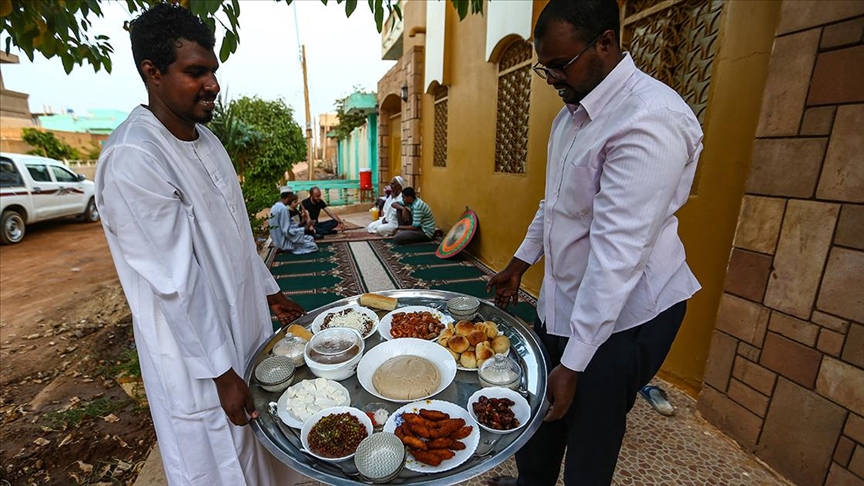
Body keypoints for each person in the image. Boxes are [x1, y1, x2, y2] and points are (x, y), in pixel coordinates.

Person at [485, 1, 703, 485]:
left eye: (561, 65)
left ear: (605, 43)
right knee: (538, 421)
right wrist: (520, 262)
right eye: (545, 68)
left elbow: (617, 256)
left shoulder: (651, 119)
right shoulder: (571, 117)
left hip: (625, 317)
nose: (553, 79)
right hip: (567, 300)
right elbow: (558, 205)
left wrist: (574, 363)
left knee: (589, 440)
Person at [94, 4, 306, 485]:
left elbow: (234, 236)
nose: (212, 84)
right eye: (195, 72)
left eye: (213, 71)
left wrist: (270, 293)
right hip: (197, 359)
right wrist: (222, 374)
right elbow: (175, 282)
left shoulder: (208, 141)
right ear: (152, 73)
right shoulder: (134, 158)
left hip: (244, 329)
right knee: (224, 464)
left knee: (268, 456)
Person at [269, 188, 318, 255]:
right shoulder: (283, 209)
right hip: (283, 243)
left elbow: (285, 226)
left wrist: (299, 224)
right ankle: (285, 249)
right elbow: (287, 231)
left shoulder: (275, 206)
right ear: (289, 196)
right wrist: (305, 228)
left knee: (310, 238)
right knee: (313, 246)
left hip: (278, 240)